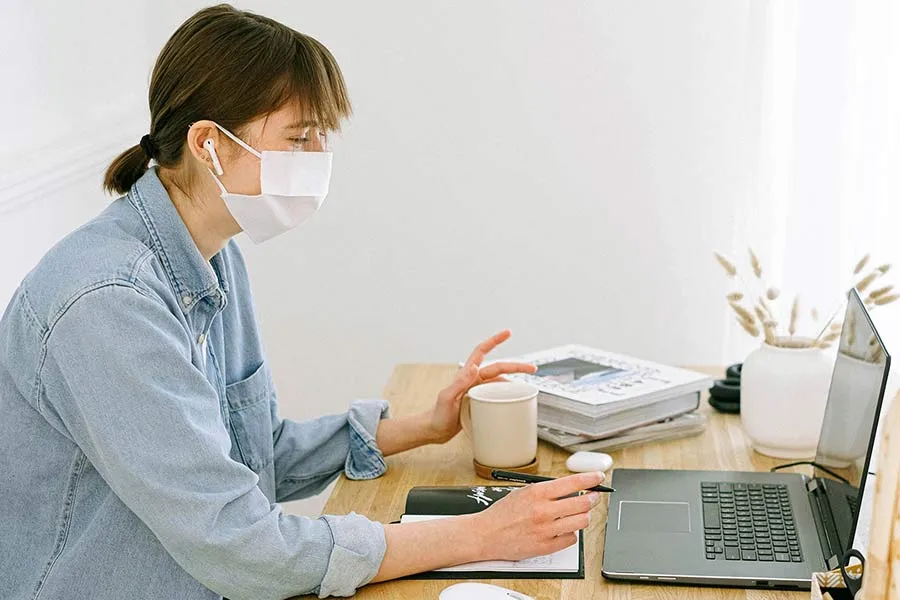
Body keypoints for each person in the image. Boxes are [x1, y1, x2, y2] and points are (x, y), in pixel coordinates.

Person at [0, 5, 603, 599]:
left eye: (321, 136)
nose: (317, 158)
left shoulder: (213, 254)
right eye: (298, 137)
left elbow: (253, 456)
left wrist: (425, 426)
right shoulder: (109, 304)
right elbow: (239, 546)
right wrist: (477, 535)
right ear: (209, 144)